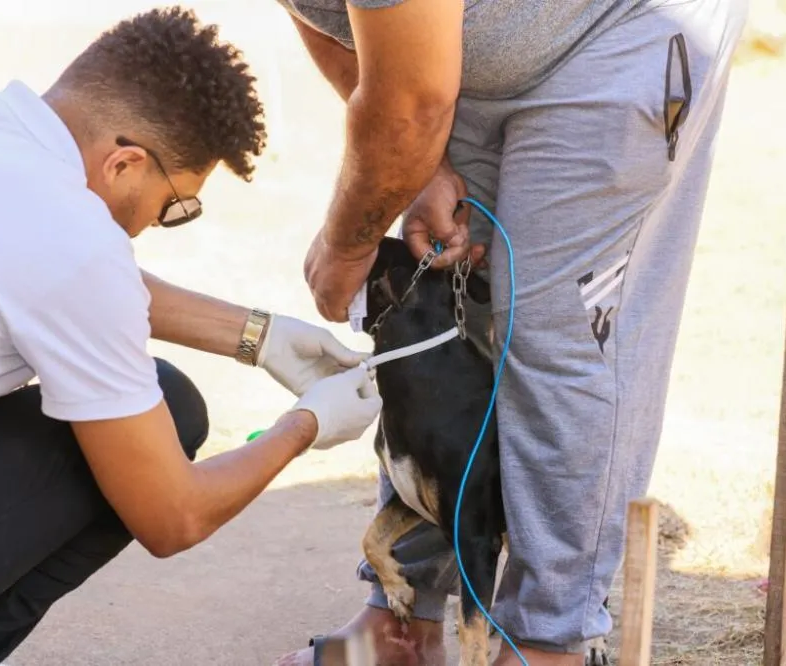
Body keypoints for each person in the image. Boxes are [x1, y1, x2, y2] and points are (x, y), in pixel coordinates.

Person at [0, 8, 382, 666]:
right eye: (173, 207)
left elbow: (60, 277)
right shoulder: (73, 242)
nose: (160, 223)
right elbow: (172, 517)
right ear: (125, 163)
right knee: (168, 414)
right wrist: (305, 426)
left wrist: (258, 336)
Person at [271, 0, 749, 665]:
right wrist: (420, 165)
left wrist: (348, 242)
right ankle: (405, 623)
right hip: (468, 46)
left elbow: (410, 101)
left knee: (557, 339)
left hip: (617, 32)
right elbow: (326, 15)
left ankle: (547, 641)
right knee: (442, 306)